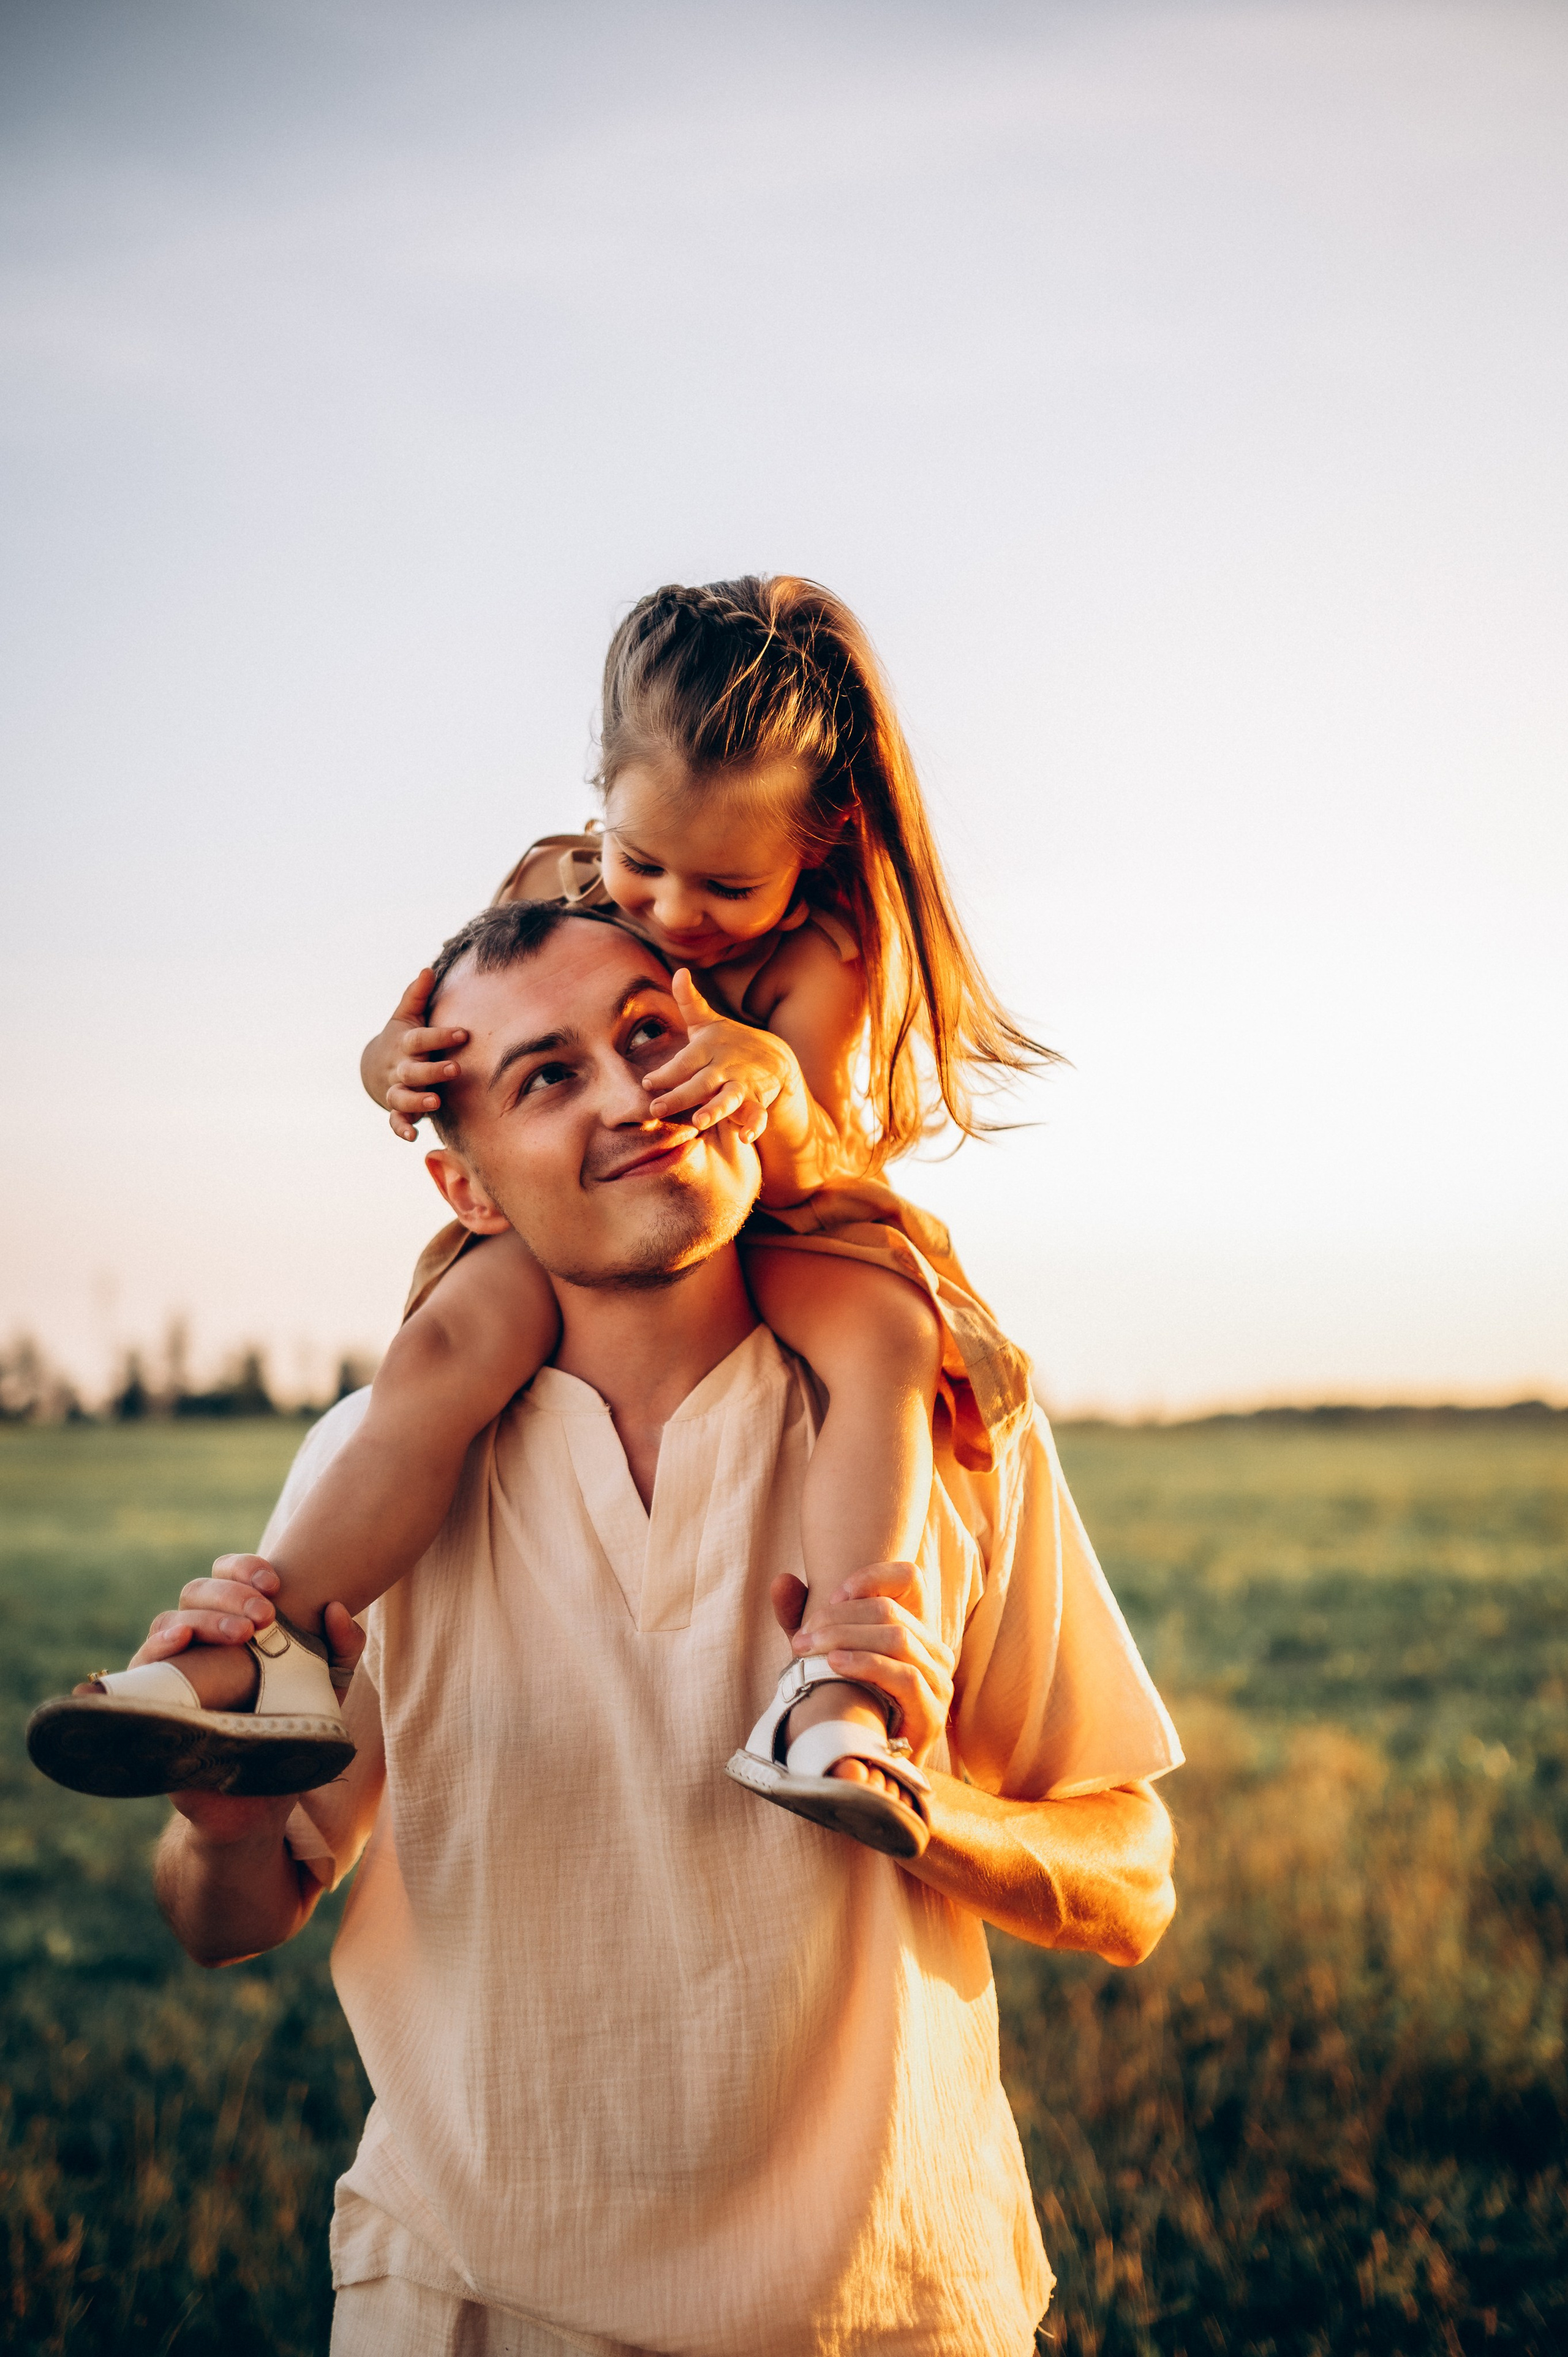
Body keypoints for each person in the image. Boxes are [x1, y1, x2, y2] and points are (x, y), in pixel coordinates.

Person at [141, 903, 1181, 2356]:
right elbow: (226, 1922)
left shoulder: (944, 1427)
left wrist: (917, 1811)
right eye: (546, 1076)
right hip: (463, 2301)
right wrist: (220, 1824)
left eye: (650, 1032)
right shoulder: (370, 1469)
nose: (634, 1094)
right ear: (468, 1184)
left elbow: (1130, 1878)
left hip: (887, 2310)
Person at [31, 576, 1049, 1860]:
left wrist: (768, 1080)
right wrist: (380, 1063)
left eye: (724, 888)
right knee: (445, 1347)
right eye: (641, 863)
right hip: (590, 1218)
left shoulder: (826, 956)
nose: (669, 913)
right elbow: (442, 1029)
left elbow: (799, 1166)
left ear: (818, 843)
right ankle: (269, 1653)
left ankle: (839, 1684)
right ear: (600, 800)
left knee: (886, 1350)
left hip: (780, 1210)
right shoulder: (555, 879)